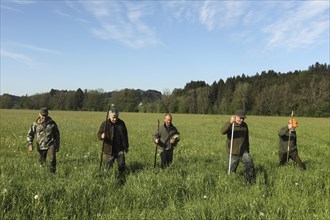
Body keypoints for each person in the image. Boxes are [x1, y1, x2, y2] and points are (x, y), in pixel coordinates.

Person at [221, 109, 255, 183]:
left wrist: (247, 150)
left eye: (243, 118)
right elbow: (222, 131)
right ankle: (231, 183)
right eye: (240, 118)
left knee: (250, 163)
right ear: (235, 117)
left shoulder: (245, 126)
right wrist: (230, 122)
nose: (242, 120)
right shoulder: (231, 125)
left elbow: (246, 139)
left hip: (243, 152)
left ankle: (249, 181)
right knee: (231, 172)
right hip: (233, 153)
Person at [27, 107, 60, 173]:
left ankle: (52, 174)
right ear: (39, 114)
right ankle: (42, 174)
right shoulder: (35, 124)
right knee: (41, 163)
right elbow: (30, 134)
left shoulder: (52, 123)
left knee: (52, 160)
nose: (44, 117)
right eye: (42, 115)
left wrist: (57, 145)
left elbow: (57, 135)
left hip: (51, 144)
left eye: (45, 115)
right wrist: (30, 144)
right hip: (40, 145)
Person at [97, 108, 129, 175]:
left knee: (121, 164)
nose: (115, 119)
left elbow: (125, 135)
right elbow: (99, 134)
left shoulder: (121, 123)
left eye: (116, 117)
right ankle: (108, 177)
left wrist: (126, 146)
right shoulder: (105, 124)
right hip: (109, 149)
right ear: (109, 117)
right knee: (108, 166)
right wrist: (102, 136)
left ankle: (121, 176)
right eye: (113, 117)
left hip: (120, 148)